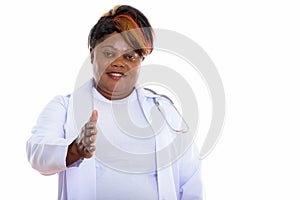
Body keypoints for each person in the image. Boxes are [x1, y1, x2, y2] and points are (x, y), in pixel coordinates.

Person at [26, 5, 203, 200]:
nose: (119, 63)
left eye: (130, 56)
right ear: (92, 54)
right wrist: (75, 149)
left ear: (140, 61)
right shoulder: (64, 107)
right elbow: (37, 153)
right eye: (109, 53)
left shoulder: (164, 111)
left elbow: (190, 180)